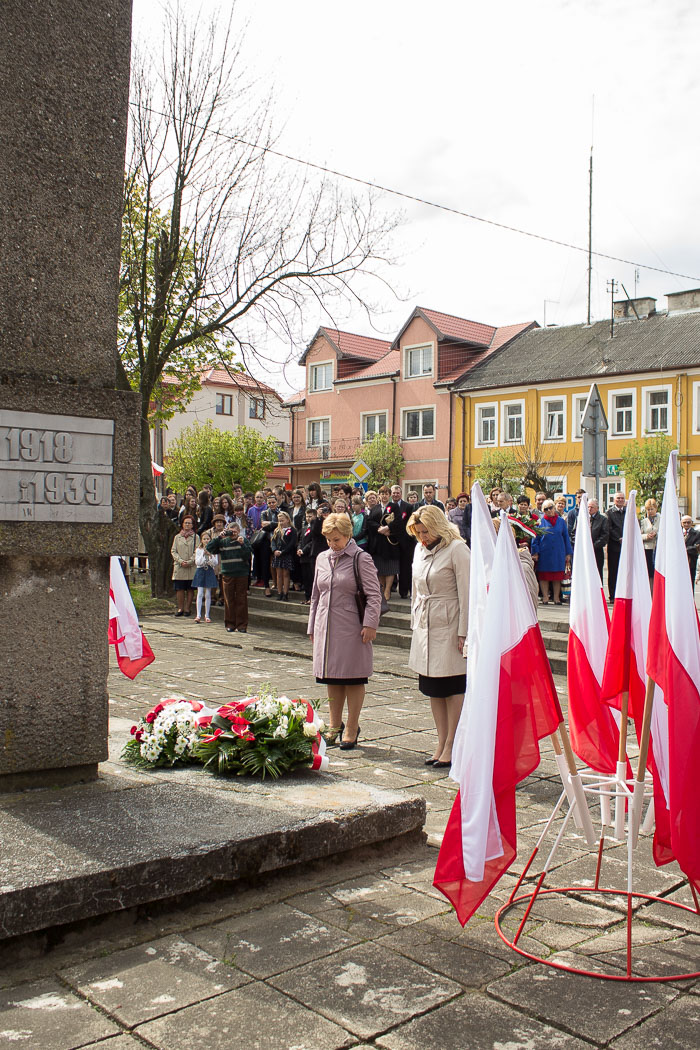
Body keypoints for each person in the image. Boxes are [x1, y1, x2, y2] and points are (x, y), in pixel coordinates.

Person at [308, 512, 382, 750]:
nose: (332, 544)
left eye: (337, 539)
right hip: (326, 627)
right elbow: (315, 595)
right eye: (329, 539)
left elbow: (374, 595)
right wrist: (312, 626)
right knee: (332, 678)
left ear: (348, 535)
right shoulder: (322, 558)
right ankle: (334, 724)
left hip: (351, 627)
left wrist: (370, 624)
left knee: (352, 678)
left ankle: (351, 726)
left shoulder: (361, 558)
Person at [407, 505, 470, 767]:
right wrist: (414, 624)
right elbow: (415, 588)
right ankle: (440, 740)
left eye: (427, 531)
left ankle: (453, 744)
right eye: (419, 532)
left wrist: (464, 632)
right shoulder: (419, 549)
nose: (423, 537)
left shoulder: (457, 549)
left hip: (450, 621)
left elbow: (468, 593)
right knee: (433, 687)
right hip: (426, 624)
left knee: (452, 686)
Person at [206, 522, 253, 632]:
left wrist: (242, 544)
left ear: (238, 531)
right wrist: (219, 537)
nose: (232, 533)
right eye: (230, 531)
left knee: (241, 599)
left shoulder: (243, 540)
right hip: (227, 573)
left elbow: (247, 555)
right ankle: (230, 624)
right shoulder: (223, 542)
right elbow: (209, 548)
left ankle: (242, 625)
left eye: (235, 531)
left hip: (241, 573)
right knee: (229, 599)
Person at [531, 499, 572, 605]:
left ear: (554, 508)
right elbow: (535, 538)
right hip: (545, 553)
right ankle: (545, 597)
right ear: (543, 510)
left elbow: (566, 537)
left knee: (557, 576)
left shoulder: (561, 521)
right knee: (544, 576)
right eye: (546, 509)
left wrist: (568, 553)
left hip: (558, 552)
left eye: (551, 508)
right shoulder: (540, 522)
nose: (549, 510)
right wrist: (535, 552)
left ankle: (556, 598)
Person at [371, 485, 401, 607]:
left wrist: (388, 528)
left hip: (389, 541)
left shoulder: (394, 507)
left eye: (386, 493)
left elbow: (399, 521)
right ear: (379, 495)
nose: (384, 496)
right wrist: (379, 529)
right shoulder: (375, 508)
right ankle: (381, 590)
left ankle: (388, 590)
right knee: (379, 568)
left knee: (390, 566)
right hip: (378, 541)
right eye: (382, 493)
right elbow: (369, 521)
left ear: (389, 495)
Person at [388, 484, 415, 599]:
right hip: (391, 541)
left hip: (405, 542)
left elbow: (410, 523)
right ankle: (391, 587)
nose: (395, 495)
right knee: (391, 566)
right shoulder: (388, 507)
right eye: (393, 493)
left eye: (397, 493)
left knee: (405, 567)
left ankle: (404, 591)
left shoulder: (408, 507)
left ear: (401, 493)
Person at [171, 514, 199, 616]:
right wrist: (180, 561)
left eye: (189, 523)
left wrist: (190, 561)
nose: (187, 525)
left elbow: (198, 551)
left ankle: (188, 608)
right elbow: (173, 551)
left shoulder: (196, 537)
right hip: (179, 565)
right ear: (182, 524)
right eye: (185, 523)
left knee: (190, 588)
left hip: (191, 566)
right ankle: (180, 608)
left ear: (192, 525)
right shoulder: (177, 537)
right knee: (180, 588)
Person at [271, 511, 297, 600]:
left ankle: (285, 593)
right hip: (278, 555)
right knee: (279, 574)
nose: (281, 522)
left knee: (286, 574)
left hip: (286, 554)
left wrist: (283, 551)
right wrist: (274, 550)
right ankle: (279, 592)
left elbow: (292, 543)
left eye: (282, 520)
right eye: (279, 521)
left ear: (287, 520)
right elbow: (273, 542)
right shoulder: (277, 530)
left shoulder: (292, 530)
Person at [606, 491, 626, 601]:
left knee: (624, 572)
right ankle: (612, 595)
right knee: (613, 572)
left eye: (622, 498)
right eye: (618, 498)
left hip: (626, 547)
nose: (620, 500)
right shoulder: (609, 512)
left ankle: (622, 593)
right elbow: (609, 528)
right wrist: (618, 538)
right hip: (614, 547)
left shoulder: (627, 512)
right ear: (614, 500)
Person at [588, 498, 609, 583]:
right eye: (588, 507)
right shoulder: (582, 518)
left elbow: (605, 536)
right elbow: (574, 533)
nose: (589, 509)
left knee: (597, 574)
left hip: (597, 551)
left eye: (592, 507)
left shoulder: (603, 519)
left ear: (597, 508)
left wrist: (593, 546)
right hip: (585, 552)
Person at [641, 498, 659, 584]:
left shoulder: (661, 519)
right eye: (648, 509)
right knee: (649, 570)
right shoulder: (644, 521)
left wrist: (656, 534)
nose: (650, 511)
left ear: (656, 509)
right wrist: (646, 536)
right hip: (647, 548)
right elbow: (639, 535)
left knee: (657, 569)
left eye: (652, 509)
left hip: (658, 547)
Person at [682, 515, 700, 589]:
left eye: (688, 522)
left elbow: (697, 547)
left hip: (691, 562)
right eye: (684, 522)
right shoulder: (677, 533)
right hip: (679, 562)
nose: (686, 524)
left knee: (690, 584)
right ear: (681, 523)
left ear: (691, 523)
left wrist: (683, 550)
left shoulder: (697, 533)